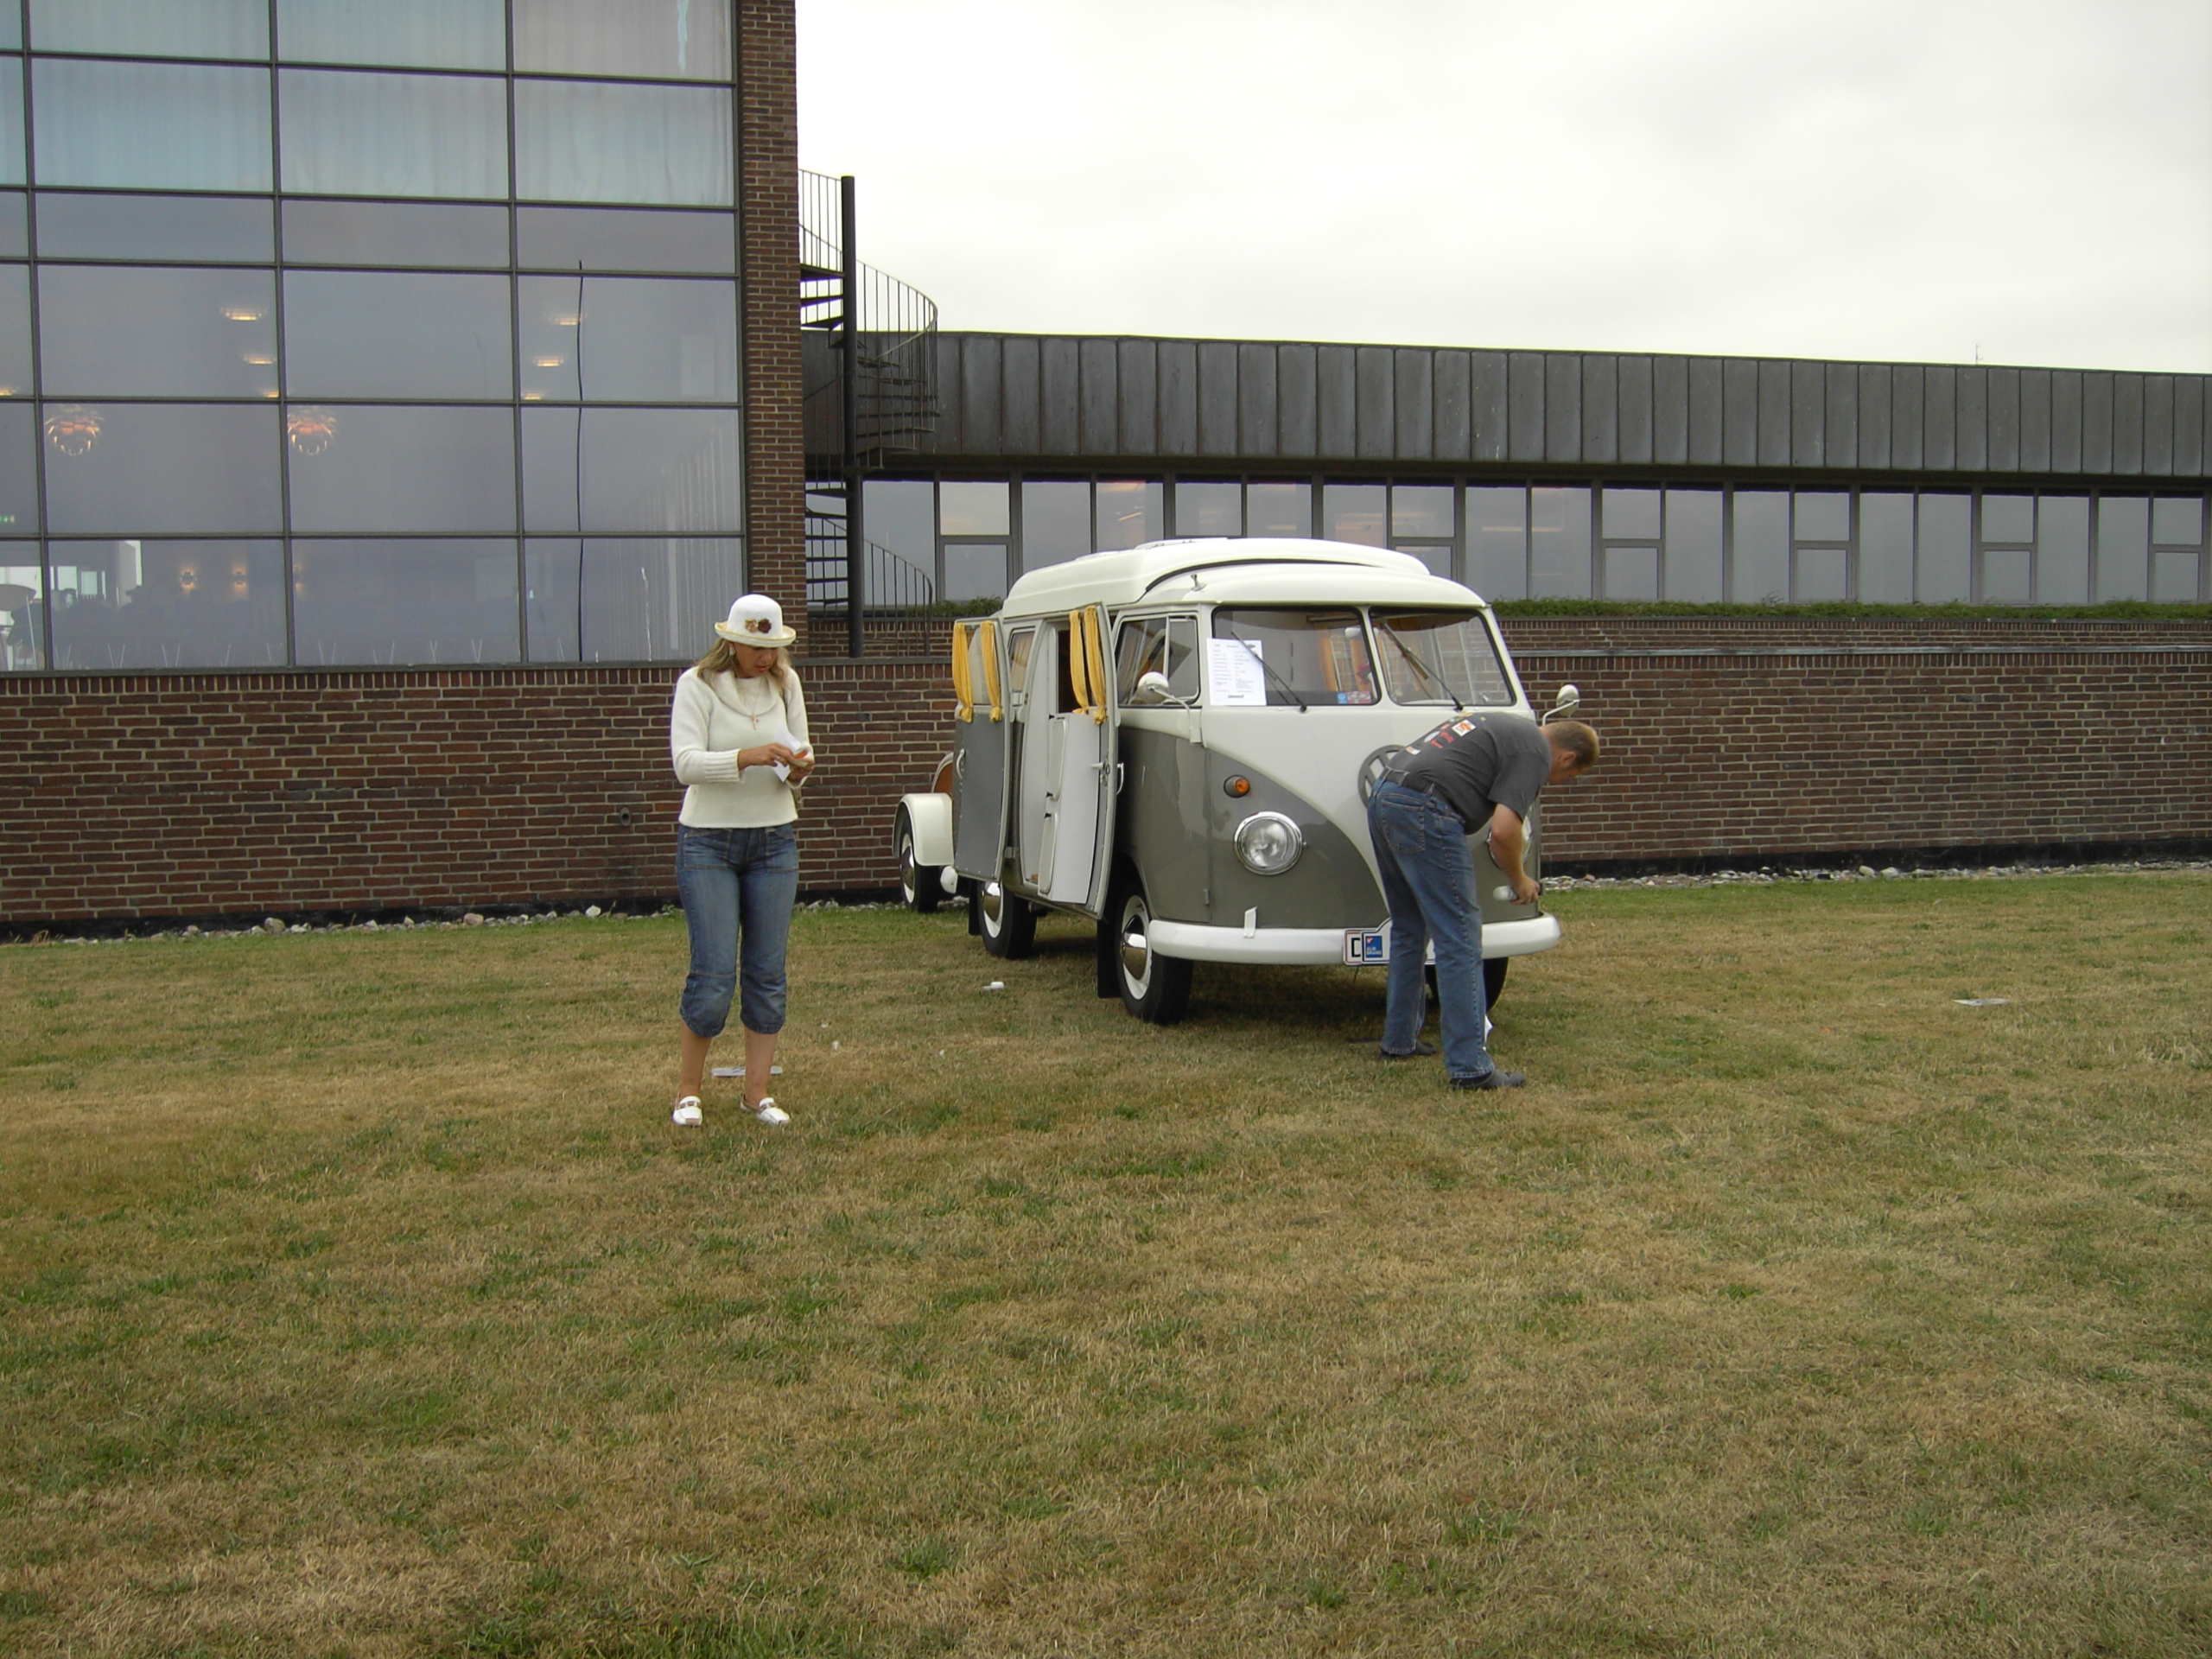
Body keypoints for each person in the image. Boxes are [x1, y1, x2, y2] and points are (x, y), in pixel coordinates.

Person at [1366, 715, 1600, 1088]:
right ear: (1567, 757)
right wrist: (1519, 880)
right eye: (1568, 776)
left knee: (1410, 929)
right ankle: (1470, 1067)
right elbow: (1504, 831)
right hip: (1426, 807)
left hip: (1386, 794)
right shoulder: (1535, 751)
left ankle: (1399, 1041)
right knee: (1459, 939)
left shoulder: (1504, 728)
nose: (1558, 781)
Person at [669, 594, 817, 1128]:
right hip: (707, 842)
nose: (766, 657)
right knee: (712, 975)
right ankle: (687, 1093)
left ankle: (757, 1095)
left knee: (767, 973)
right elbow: (685, 764)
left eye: (773, 647)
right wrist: (747, 757)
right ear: (731, 642)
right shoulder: (697, 685)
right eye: (756, 647)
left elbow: (801, 753)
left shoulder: (786, 683)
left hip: (774, 841)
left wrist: (797, 768)